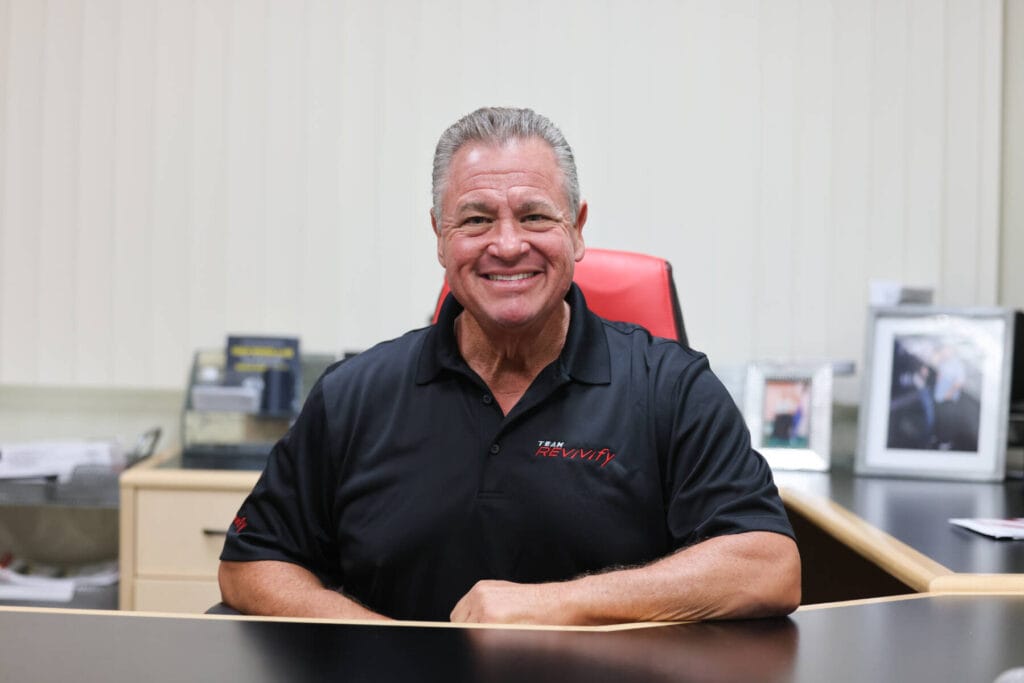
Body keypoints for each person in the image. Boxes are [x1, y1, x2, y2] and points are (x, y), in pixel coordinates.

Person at [218, 107, 801, 625]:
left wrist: (557, 603)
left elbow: (768, 566)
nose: (506, 244)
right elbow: (253, 563)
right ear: (439, 237)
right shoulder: (354, 394)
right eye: (475, 220)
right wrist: (382, 646)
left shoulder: (671, 388)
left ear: (577, 229)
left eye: (534, 216)